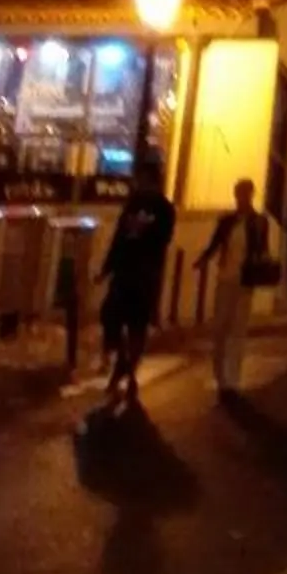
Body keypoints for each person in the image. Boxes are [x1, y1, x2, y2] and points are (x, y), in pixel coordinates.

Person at [96, 158, 175, 411]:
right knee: (110, 315)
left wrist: (140, 234)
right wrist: (107, 268)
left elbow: (162, 241)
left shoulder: (164, 209)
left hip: (145, 274)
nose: (139, 183)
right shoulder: (132, 203)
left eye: (142, 178)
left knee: (137, 325)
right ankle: (123, 362)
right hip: (124, 271)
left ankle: (128, 373)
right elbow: (118, 237)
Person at [195, 176, 274, 401]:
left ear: (251, 195)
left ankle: (232, 379)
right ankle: (220, 374)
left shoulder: (259, 221)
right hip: (225, 277)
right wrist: (203, 260)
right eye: (239, 193)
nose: (241, 198)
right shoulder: (227, 220)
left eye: (245, 193)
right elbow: (216, 243)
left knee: (238, 328)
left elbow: (263, 249)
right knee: (220, 326)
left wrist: (264, 263)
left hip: (245, 279)